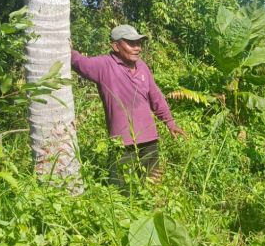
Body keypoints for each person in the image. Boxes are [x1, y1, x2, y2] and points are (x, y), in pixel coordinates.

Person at [71, 24, 185, 185]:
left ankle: (152, 209)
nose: (137, 48)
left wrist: (170, 122)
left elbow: (156, 96)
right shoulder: (104, 65)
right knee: (120, 187)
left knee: (153, 184)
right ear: (116, 46)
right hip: (122, 141)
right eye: (131, 43)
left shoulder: (142, 67)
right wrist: (67, 49)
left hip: (149, 137)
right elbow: (79, 63)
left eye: (139, 43)